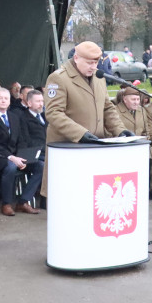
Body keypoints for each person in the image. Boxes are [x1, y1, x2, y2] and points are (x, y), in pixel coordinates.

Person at [41, 41, 131, 197]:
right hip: (68, 149)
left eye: (96, 62)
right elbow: (53, 113)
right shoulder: (59, 78)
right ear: (76, 58)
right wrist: (80, 134)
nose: (93, 66)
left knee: (93, 198)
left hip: (94, 149)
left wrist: (120, 130)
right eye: (89, 62)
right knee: (68, 197)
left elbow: (107, 107)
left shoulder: (98, 77)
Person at [0, 87, 38, 215]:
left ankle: (23, 202)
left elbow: (21, 139)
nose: (3, 101)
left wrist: (21, 156)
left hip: (15, 156)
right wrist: (12, 157)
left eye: (6, 98)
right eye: (0, 98)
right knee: (11, 167)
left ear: (10, 101)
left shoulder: (15, 117)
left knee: (40, 166)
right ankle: (6, 204)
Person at [114, 86, 152, 200]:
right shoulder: (115, 110)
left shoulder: (142, 110)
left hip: (140, 146)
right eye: (133, 100)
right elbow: (111, 131)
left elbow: (147, 131)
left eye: (137, 99)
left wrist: (145, 140)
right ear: (125, 99)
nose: (136, 102)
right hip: (122, 148)